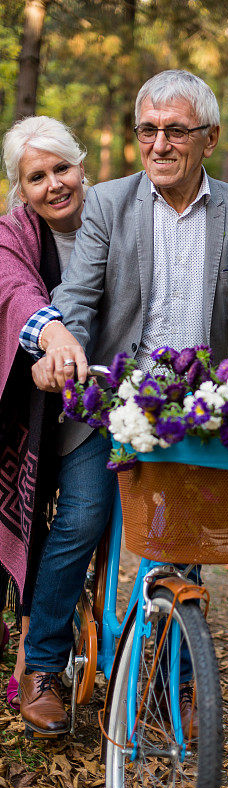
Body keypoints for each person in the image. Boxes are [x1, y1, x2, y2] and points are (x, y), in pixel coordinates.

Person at [19, 69, 228, 738]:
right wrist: (64, 353)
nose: (160, 143)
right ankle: (41, 666)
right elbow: (78, 301)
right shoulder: (108, 204)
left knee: (180, 548)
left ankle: (181, 682)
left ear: (209, 138)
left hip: (193, 409)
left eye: (176, 130)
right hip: (108, 401)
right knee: (81, 522)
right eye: (148, 129)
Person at [0, 116, 90, 711]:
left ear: (83, 165)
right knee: (35, 518)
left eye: (63, 167)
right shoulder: (14, 234)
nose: (54, 184)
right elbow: (14, 289)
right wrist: (51, 333)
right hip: (29, 408)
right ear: (20, 189)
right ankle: (35, 662)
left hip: (97, 405)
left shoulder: (119, 216)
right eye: (38, 176)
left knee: (83, 519)